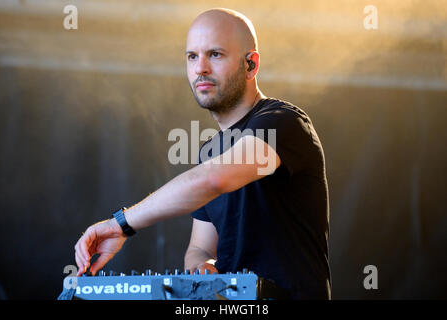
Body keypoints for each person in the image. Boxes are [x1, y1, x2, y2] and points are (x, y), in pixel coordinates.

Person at [74, 8, 331, 299]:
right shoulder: (210, 151)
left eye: (215, 54)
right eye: (192, 57)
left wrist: (119, 224)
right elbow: (200, 249)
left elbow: (212, 180)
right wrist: (201, 267)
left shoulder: (283, 122)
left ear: (251, 64)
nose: (200, 69)